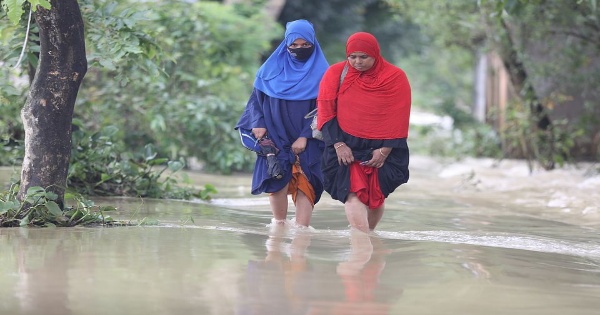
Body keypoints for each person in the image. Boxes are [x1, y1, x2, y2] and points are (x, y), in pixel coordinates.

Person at [235, 19, 329, 227]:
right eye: (293, 45)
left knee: (307, 180)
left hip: (308, 136)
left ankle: (302, 231)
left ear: (313, 43)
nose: (299, 49)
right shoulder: (268, 70)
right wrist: (258, 122)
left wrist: (305, 135)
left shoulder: (324, 74)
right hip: (275, 131)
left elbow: (325, 108)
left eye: (305, 45)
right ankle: (278, 227)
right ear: (286, 44)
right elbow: (255, 102)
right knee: (276, 178)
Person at [316, 32, 411, 233]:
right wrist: (339, 145)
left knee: (375, 197)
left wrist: (385, 150)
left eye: (363, 57)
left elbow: (399, 116)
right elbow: (326, 112)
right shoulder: (335, 74)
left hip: (383, 145)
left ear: (375, 54)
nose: (357, 62)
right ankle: (361, 242)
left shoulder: (395, 77)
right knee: (353, 193)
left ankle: (368, 240)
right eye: (352, 57)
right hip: (345, 143)